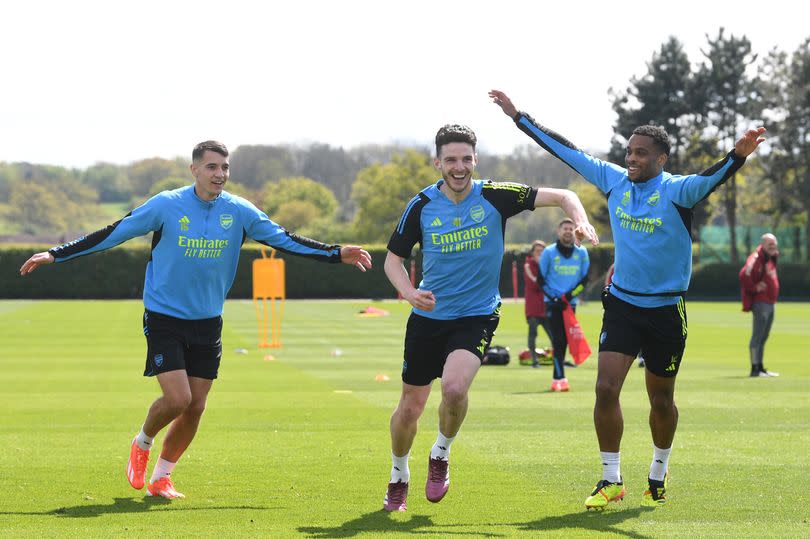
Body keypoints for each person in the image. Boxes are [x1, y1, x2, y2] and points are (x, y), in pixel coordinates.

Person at [19, 140, 372, 500]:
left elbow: (284, 239)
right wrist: (55, 253)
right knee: (177, 400)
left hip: (208, 322)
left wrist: (335, 253)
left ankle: (162, 477)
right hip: (164, 317)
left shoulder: (239, 211)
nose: (220, 174)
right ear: (194, 170)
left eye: (225, 167)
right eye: (212, 167)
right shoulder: (167, 205)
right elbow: (114, 232)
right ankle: (142, 442)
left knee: (196, 407)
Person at [490, 89, 766, 509]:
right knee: (605, 389)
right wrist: (518, 117)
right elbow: (568, 151)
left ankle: (659, 468)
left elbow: (713, 176)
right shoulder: (614, 180)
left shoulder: (679, 192)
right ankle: (610, 478)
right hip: (622, 304)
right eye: (629, 152)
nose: (632, 158)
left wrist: (738, 155)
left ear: (661, 159)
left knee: (661, 400)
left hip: (666, 311)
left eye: (641, 153)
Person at [382, 123, 598, 512]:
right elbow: (392, 260)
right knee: (411, 407)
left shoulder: (496, 196)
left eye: (466, 158)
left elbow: (565, 195)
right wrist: (410, 293)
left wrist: (580, 219)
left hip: (476, 315)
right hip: (429, 318)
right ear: (438, 163)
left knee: (453, 389)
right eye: (451, 159)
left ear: (475, 160)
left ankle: (441, 453)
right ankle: (399, 474)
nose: (459, 166)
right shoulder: (421, 205)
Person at [539, 218, 590, 391]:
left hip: (570, 304)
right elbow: (541, 280)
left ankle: (558, 377)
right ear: (558, 232)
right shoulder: (548, 252)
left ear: (575, 232)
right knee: (558, 340)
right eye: (565, 228)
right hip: (553, 304)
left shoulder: (582, 252)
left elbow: (584, 280)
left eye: (571, 228)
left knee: (566, 340)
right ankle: (558, 378)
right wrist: (554, 298)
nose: (568, 231)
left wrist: (569, 296)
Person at [739, 233, 780, 377]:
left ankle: (761, 367)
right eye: (770, 244)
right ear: (763, 245)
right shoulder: (756, 258)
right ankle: (755, 369)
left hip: (770, 302)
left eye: (774, 244)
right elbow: (744, 274)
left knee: (764, 336)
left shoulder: (770, 257)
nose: (773, 246)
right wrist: (755, 287)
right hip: (761, 302)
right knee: (757, 336)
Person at [605, 263, 644, 368]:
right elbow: (608, 281)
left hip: (640, 303)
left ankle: (642, 357)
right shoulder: (616, 265)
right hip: (621, 305)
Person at [524, 240, 552, 367]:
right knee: (533, 334)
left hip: (546, 307)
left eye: (542, 251)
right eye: (537, 251)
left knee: (553, 335)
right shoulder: (528, 266)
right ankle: (534, 360)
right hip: (533, 308)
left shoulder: (548, 266)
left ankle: (559, 360)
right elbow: (535, 284)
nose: (540, 254)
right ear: (532, 253)